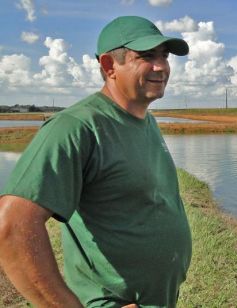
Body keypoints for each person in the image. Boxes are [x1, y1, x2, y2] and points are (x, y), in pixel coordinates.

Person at [0, 16, 192, 307]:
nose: (161, 66)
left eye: (164, 56)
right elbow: (13, 227)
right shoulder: (75, 127)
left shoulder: (145, 121)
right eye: (146, 56)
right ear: (108, 65)